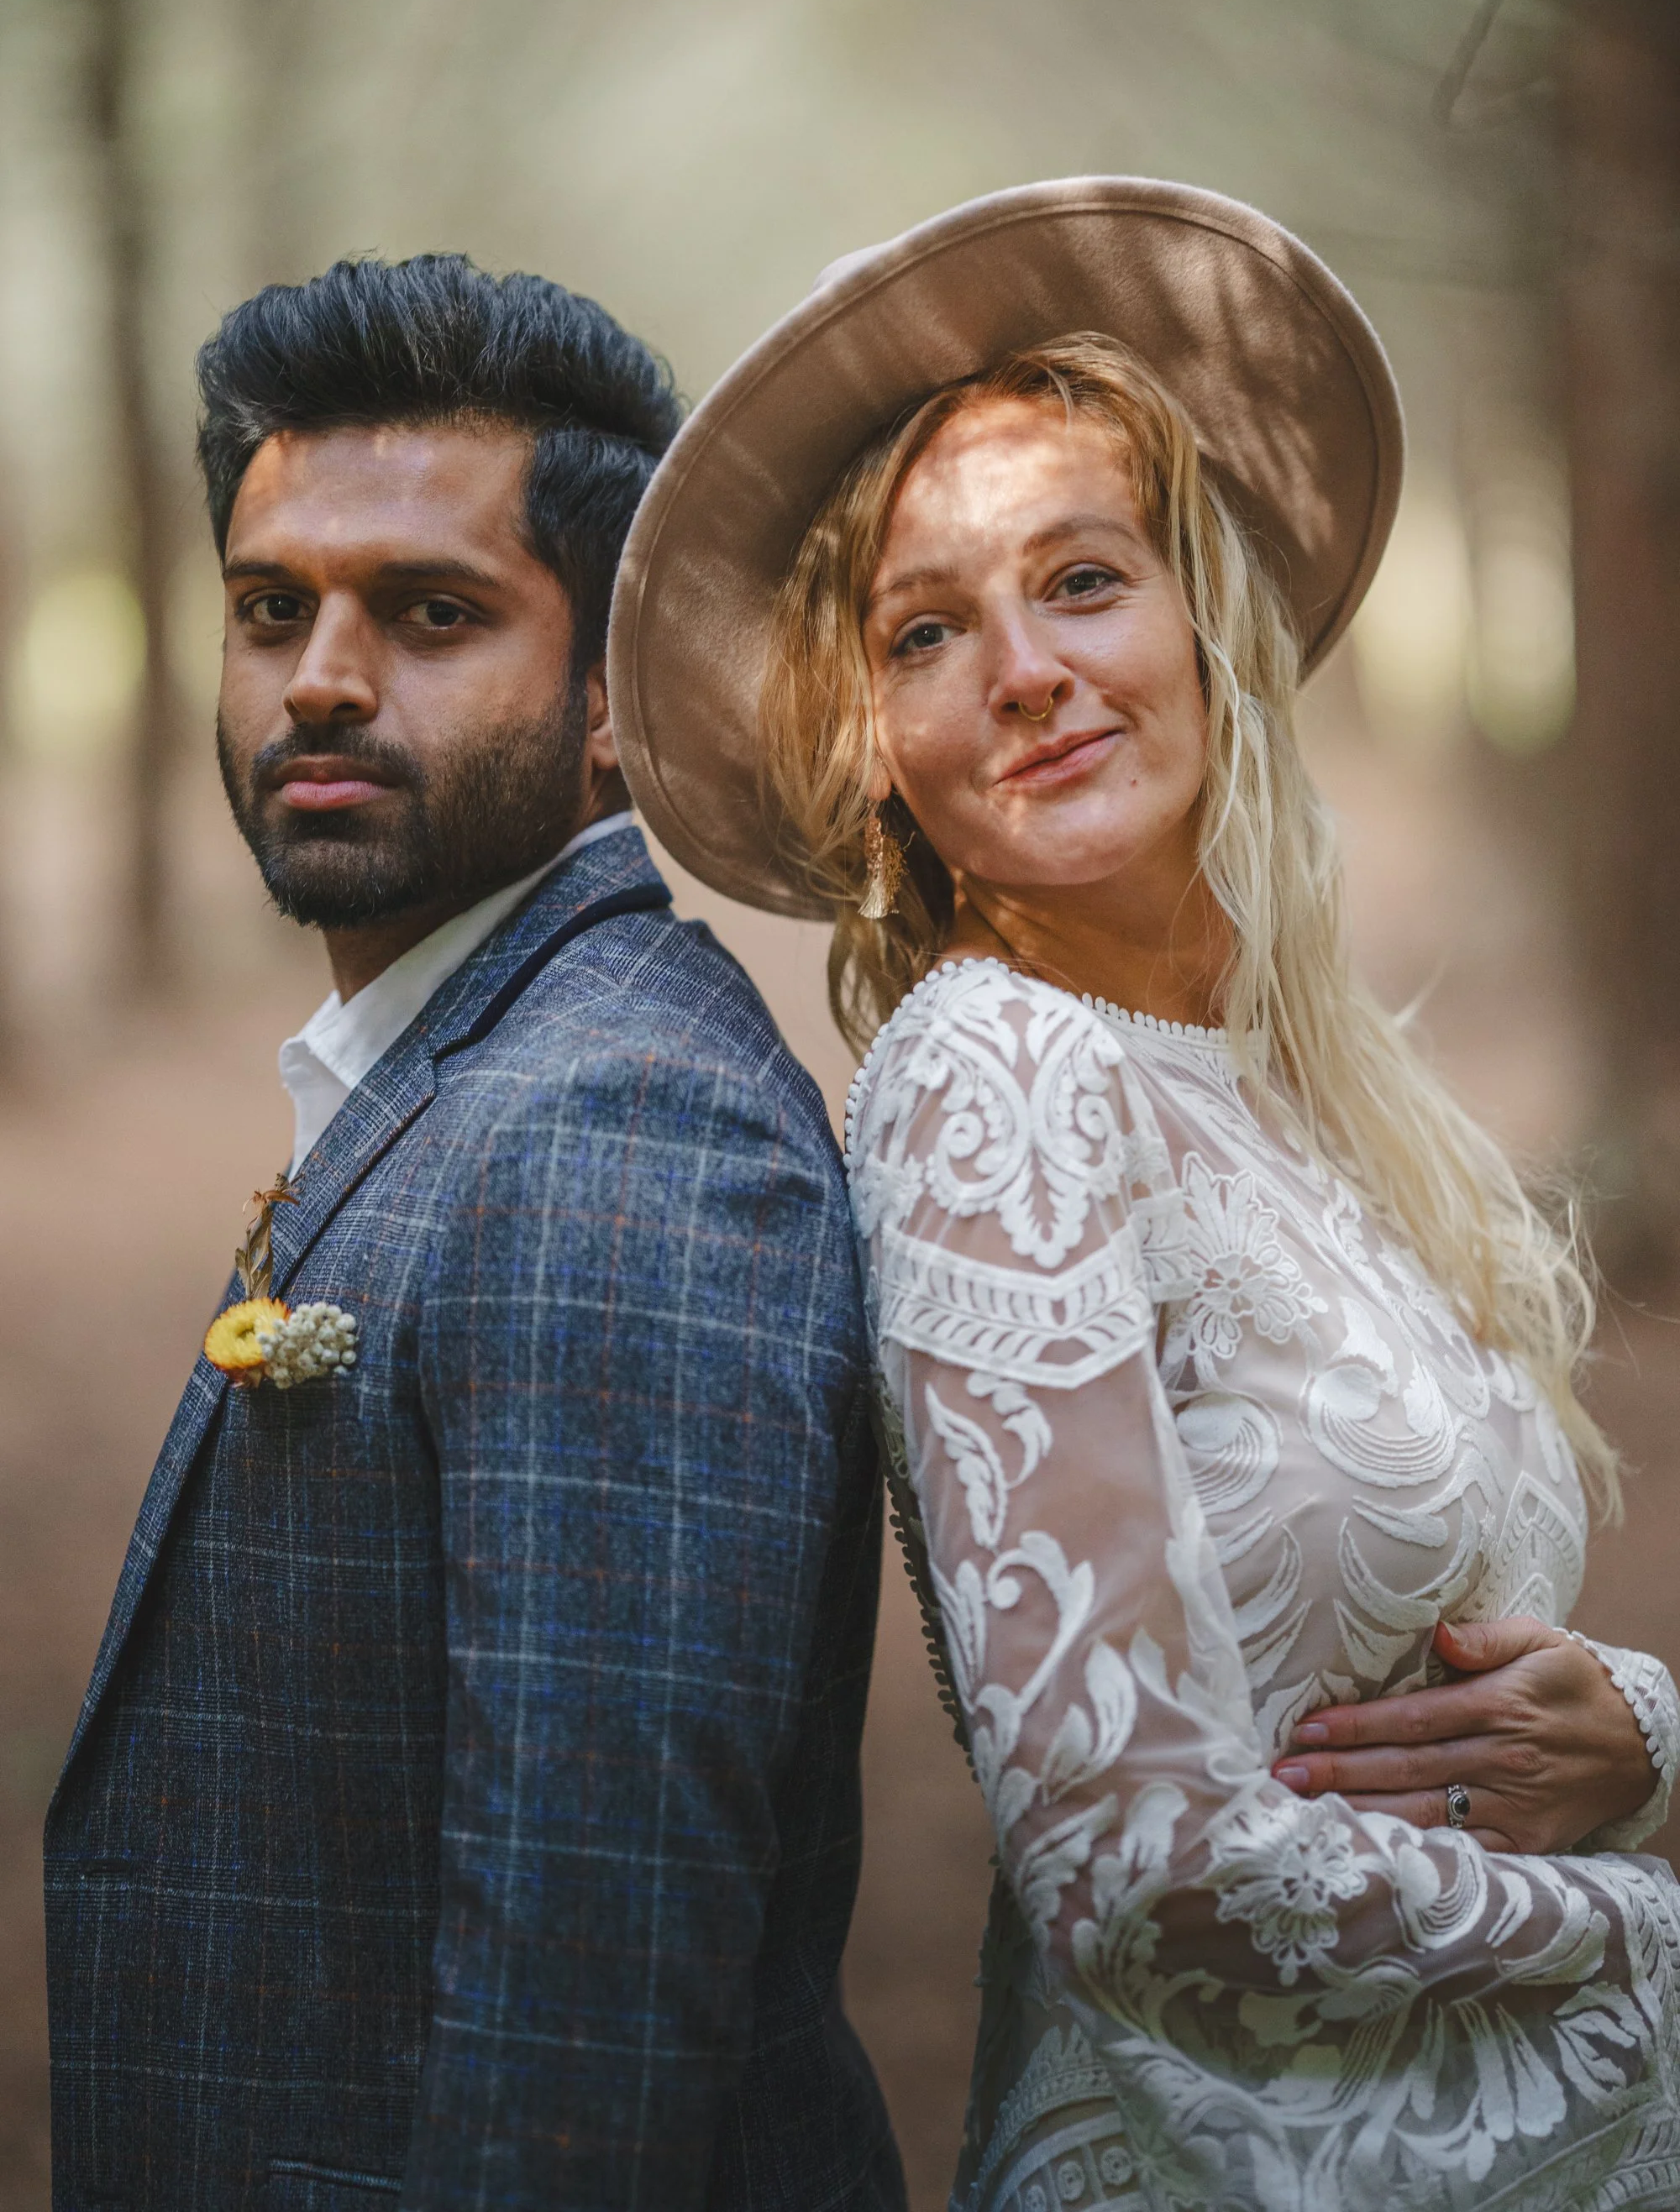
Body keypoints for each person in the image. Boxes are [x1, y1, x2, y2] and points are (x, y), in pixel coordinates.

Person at [607, 181, 1680, 2210]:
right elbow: (1137, 1867)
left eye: (1080, 581)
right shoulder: (993, 1074)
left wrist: (1637, 1721)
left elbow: (1437, 1654)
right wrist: (1660, 1938)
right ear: (876, 753)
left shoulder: (1304, 1087)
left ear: (1203, 619)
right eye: (926, 630)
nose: (1022, 669)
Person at [44, 254, 905, 2212]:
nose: (322, 676)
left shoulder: (622, 1134)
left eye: (433, 613)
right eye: (272, 610)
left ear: (617, 702)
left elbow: (584, 2010)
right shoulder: (474, 1051)